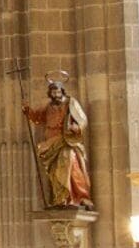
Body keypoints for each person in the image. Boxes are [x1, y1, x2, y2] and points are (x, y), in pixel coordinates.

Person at [25, 75, 92, 211]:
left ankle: (78, 196)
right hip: (51, 143)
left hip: (66, 140)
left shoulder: (70, 103)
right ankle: (61, 198)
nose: (55, 95)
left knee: (70, 164)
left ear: (62, 92)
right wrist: (28, 112)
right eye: (53, 92)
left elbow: (82, 119)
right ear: (50, 93)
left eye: (58, 92)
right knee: (55, 171)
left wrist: (77, 127)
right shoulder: (48, 107)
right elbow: (38, 118)